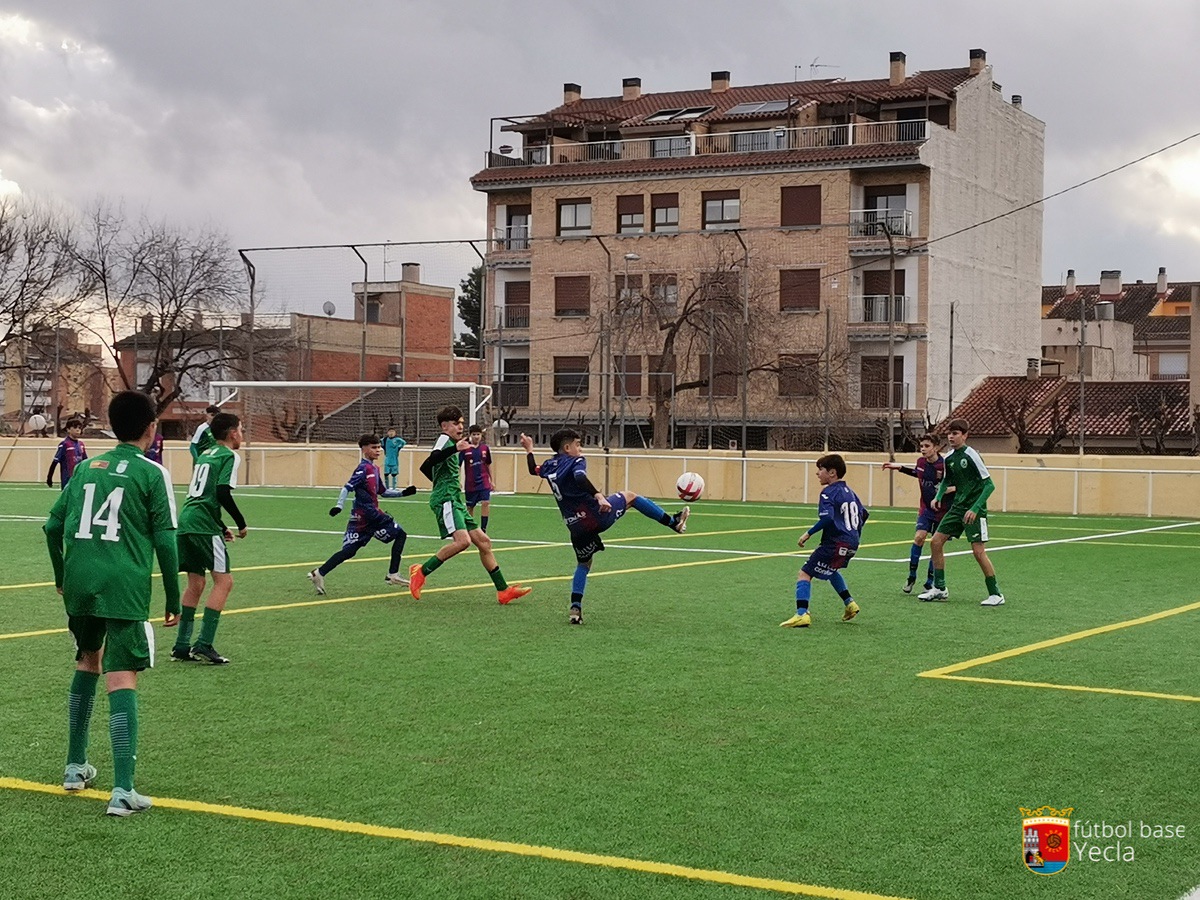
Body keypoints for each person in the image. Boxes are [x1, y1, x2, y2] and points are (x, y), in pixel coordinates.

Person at [43, 390, 180, 817]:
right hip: (124, 585)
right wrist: (174, 597)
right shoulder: (153, 474)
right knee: (121, 677)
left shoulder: (85, 467)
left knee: (87, 661)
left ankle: (74, 766)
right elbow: (165, 540)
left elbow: (51, 526)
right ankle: (123, 791)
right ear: (151, 428)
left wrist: (61, 576)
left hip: (81, 581)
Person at [520, 429, 689, 625]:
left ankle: (576, 609)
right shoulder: (576, 461)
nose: (580, 448)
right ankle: (673, 522)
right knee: (631, 496)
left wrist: (529, 449)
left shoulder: (550, 465)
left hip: (575, 527)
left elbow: (534, 469)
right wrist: (599, 496)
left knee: (583, 564)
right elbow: (580, 477)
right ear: (567, 448)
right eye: (577, 444)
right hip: (596, 516)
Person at [408, 407, 530, 604]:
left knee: (484, 542)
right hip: (446, 499)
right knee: (462, 542)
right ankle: (419, 572)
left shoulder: (454, 445)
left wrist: (440, 478)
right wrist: (442, 482)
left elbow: (425, 468)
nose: (460, 427)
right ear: (444, 426)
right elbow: (431, 460)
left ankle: (503, 590)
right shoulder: (443, 440)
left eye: (462, 423)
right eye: (456, 423)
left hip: (454, 498)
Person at [171, 412, 247, 665]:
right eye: (241, 429)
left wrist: (220, 524)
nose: (242, 435)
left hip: (187, 520)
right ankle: (204, 643)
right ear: (232, 432)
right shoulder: (229, 456)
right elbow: (221, 492)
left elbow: (204, 495)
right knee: (224, 582)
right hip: (203, 524)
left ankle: (181, 645)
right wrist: (240, 522)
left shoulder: (205, 454)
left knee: (196, 584)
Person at [308, 434, 415, 595]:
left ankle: (320, 572)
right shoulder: (363, 469)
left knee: (350, 550)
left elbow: (383, 492)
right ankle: (393, 574)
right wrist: (339, 505)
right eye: (374, 447)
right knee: (400, 534)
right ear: (364, 449)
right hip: (369, 515)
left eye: (379, 447)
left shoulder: (374, 469)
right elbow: (347, 487)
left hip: (362, 518)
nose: (378, 450)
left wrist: (403, 493)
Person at [919, 418, 1006, 606]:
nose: (951, 436)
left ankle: (996, 593)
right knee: (935, 542)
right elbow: (946, 481)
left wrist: (975, 508)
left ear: (965, 436)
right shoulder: (949, 458)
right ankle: (940, 588)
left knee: (978, 551)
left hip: (975, 509)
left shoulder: (972, 455)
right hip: (957, 508)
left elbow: (989, 485)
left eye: (956, 433)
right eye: (949, 433)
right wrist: (939, 496)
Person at [781, 454, 867, 628]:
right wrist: (853, 535)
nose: (817, 473)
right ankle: (850, 604)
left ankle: (801, 614)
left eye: (821, 469)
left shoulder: (828, 492)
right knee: (831, 569)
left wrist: (808, 533)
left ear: (832, 473)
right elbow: (863, 514)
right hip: (851, 542)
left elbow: (827, 519)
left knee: (805, 573)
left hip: (836, 542)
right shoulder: (851, 493)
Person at [882, 434, 953, 593]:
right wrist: (899, 468)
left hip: (943, 511)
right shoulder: (921, 462)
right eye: (921, 446)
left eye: (927, 446)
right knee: (919, 537)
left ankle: (929, 581)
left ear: (935, 447)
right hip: (926, 509)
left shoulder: (945, 465)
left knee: (936, 545)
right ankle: (911, 576)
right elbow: (918, 473)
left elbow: (957, 485)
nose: (923, 449)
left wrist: (946, 490)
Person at [461, 424, 494, 532]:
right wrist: (457, 480)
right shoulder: (465, 449)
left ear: (481, 435)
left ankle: (483, 529)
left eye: (478, 434)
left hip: (484, 482)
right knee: (470, 507)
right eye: (474, 434)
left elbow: (488, 464)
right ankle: (470, 529)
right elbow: (457, 465)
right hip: (470, 483)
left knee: (486, 502)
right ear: (470, 435)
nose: (476, 437)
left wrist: (492, 480)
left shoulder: (485, 448)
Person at [46, 418, 88, 489]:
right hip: (67, 479)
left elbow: (85, 462)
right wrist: (49, 477)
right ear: (68, 429)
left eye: (79, 428)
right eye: (75, 427)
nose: (78, 430)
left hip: (79, 478)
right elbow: (55, 462)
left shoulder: (81, 445)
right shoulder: (65, 444)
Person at [381, 427, 407, 492]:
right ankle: (387, 488)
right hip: (387, 460)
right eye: (390, 432)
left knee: (394, 474)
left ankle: (394, 488)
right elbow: (380, 442)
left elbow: (404, 442)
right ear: (387, 433)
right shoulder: (385, 440)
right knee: (386, 474)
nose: (391, 433)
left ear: (395, 433)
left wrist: (399, 446)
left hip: (394, 461)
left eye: (392, 432)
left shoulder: (397, 440)